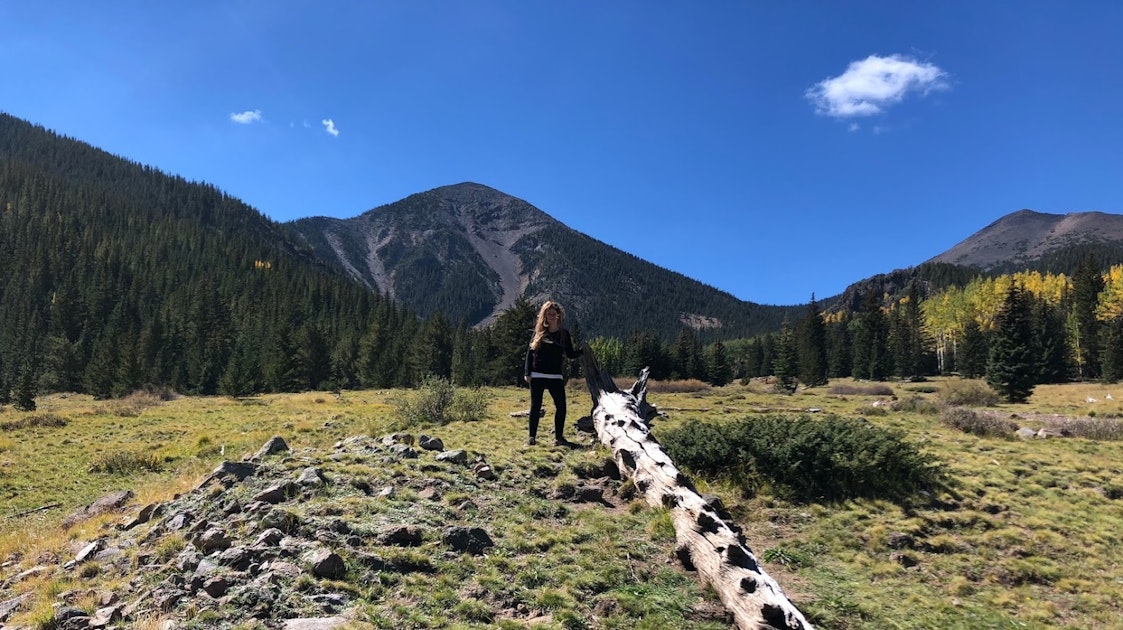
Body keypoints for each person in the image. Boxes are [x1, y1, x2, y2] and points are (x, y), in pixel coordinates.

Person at [524, 300, 583, 446]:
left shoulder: (564, 334)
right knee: (535, 406)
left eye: (553, 314)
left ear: (558, 315)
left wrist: (583, 352)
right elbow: (530, 354)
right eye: (548, 313)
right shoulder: (539, 333)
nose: (551, 316)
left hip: (555, 375)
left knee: (561, 406)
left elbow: (570, 354)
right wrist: (527, 372)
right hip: (537, 374)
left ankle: (559, 438)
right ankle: (531, 438)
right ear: (544, 315)